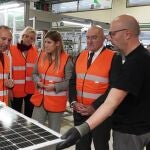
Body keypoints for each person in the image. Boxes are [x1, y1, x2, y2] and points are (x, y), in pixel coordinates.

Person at [56, 14, 150, 150]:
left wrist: (80, 130)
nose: (110, 38)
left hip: (130, 130)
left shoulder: (131, 62)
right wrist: (74, 102)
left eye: (112, 34)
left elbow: (111, 103)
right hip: (137, 127)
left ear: (127, 34)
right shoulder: (143, 57)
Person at [68, 25, 122, 150]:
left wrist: (94, 107)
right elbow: (72, 82)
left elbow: (114, 88)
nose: (89, 41)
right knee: (81, 146)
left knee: (101, 146)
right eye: (87, 38)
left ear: (103, 38)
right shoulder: (81, 55)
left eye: (94, 38)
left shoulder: (114, 57)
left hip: (101, 114)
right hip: (80, 113)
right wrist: (74, 102)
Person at [31, 30, 73, 134]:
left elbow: (70, 81)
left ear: (57, 43)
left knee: (53, 133)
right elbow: (34, 74)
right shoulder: (41, 56)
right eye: (45, 42)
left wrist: (55, 86)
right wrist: (37, 82)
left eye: (49, 42)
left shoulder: (67, 59)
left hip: (56, 103)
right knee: (33, 131)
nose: (45, 45)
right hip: (40, 101)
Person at [9, 26, 38, 117]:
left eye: (32, 38)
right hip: (16, 89)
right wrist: (9, 89)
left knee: (29, 115)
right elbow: (8, 71)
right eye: (26, 36)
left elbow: (37, 71)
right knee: (15, 114)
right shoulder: (12, 50)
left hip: (31, 89)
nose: (28, 39)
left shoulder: (35, 52)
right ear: (22, 36)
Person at [0, 25, 14, 105]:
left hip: (3, 106)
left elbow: (6, 78)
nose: (6, 43)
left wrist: (10, 83)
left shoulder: (6, 58)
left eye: (9, 40)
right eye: (3, 39)